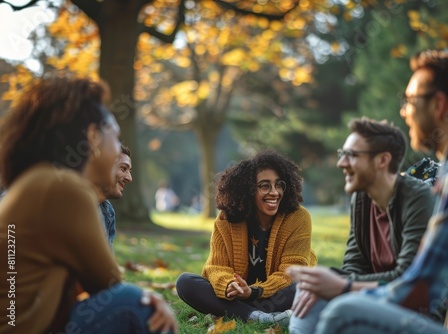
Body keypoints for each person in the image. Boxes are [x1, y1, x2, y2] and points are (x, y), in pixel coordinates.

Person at [313, 50, 448, 333]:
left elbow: (422, 289)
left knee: (344, 314)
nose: (404, 111)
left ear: (439, 105)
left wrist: (344, 288)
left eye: (410, 101)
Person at [0, 75, 177, 334]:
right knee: (136, 304)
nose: (118, 150)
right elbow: (109, 284)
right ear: (93, 137)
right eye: (115, 138)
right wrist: (148, 299)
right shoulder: (65, 187)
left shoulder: (42, 179)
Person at [286, 118, 436, 334]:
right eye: (342, 154)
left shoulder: (419, 199)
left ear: (382, 160)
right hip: (371, 298)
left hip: (414, 310)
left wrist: (341, 286)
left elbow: (407, 278)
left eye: (352, 155)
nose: (341, 163)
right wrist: (326, 283)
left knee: (341, 306)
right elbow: (354, 263)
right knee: (310, 287)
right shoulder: (362, 197)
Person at [176, 150, 317, 327]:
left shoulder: (298, 217)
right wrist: (228, 286)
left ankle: (239, 313)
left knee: (306, 285)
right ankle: (261, 316)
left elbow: (293, 271)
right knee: (185, 282)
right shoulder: (226, 219)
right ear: (248, 190)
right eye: (265, 186)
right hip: (238, 297)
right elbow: (215, 267)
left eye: (279, 185)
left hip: (276, 294)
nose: (274, 192)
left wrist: (254, 292)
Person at [99, 144, 133, 248]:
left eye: (129, 171)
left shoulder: (107, 210)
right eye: (123, 169)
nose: (129, 178)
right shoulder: (73, 205)